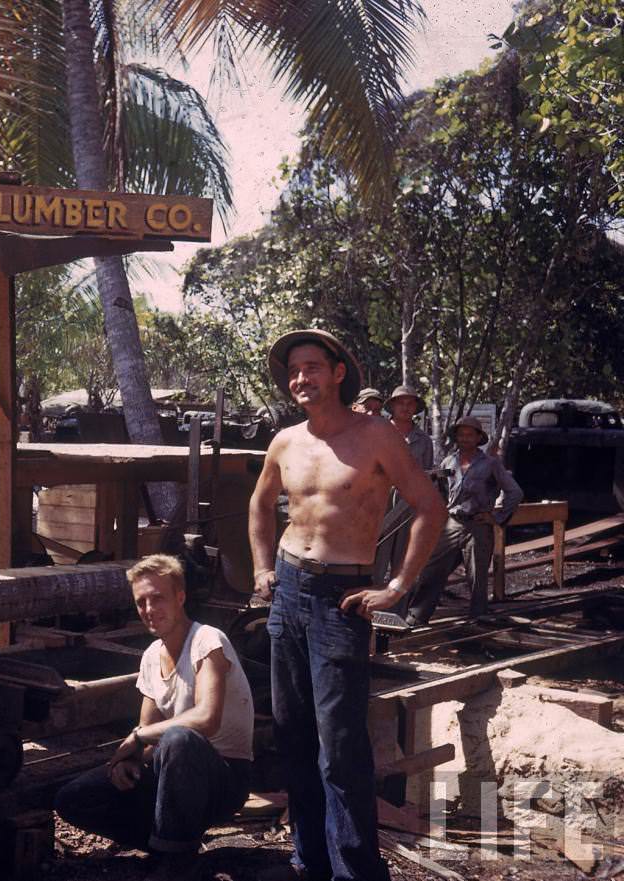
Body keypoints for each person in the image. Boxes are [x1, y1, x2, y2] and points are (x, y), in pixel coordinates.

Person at [249, 329, 447, 881]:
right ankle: (307, 861)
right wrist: (264, 569)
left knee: (339, 746)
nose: (301, 379)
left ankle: (357, 871)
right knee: (293, 736)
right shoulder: (286, 441)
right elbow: (261, 504)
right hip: (287, 593)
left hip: (342, 600)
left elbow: (430, 507)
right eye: (293, 370)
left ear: (338, 373)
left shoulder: (377, 436)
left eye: (312, 367)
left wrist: (399, 585)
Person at [53, 554, 253, 876]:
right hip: (172, 774)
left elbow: (206, 719)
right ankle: (170, 844)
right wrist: (128, 762)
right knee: (73, 798)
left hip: (223, 778)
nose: (148, 609)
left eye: (157, 598)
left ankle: (172, 862)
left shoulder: (207, 640)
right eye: (141, 602)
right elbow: (147, 731)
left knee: (179, 739)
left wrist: (138, 737)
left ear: (180, 597)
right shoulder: (150, 657)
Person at [405, 415, 523, 625]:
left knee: (477, 576)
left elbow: (514, 492)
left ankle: (478, 619)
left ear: (479, 438)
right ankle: (416, 617)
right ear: (456, 437)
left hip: (478, 526)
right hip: (451, 524)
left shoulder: (490, 464)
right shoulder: (448, 461)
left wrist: (496, 517)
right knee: (431, 569)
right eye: (461, 434)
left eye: (470, 435)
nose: (465, 438)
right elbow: (440, 493)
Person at [374, 385, 438, 586]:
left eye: (410, 403)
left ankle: (397, 613)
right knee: (375, 560)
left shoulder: (424, 440)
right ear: (392, 406)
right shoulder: (377, 432)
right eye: (400, 402)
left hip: (409, 506)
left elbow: (426, 476)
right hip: (379, 503)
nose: (405, 407)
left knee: (402, 563)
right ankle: (365, 611)